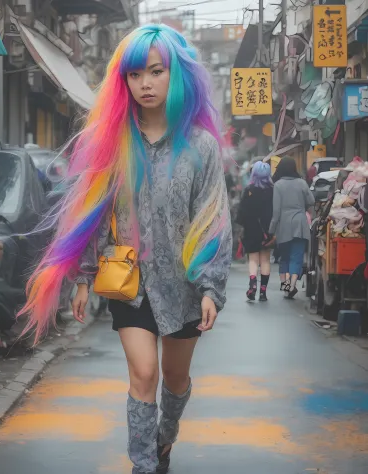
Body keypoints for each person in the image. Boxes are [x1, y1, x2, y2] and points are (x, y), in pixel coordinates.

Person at [18, 24, 232, 474]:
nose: (145, 84)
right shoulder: (113, 143)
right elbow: (94, 214)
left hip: (185, 286)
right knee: (143, 375)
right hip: (129, 283)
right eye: (135, 75)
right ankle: (143, 465)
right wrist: (81, 278)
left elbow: (213, 219)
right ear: (124, 81)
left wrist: (211, 288)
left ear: (177, 76)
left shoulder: (201, 146)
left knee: (174, 381)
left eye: (156, 72)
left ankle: (164, 441)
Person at [269, 156, 314, 299]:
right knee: (297, 257)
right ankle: (293, 285)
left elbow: (276, 212)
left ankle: (286, 287)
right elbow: (311, 200)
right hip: (300, 223)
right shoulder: (302, 183)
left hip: (284, 226)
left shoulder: (278, 185)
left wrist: (271, 230)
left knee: (284, 258)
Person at [236, 161, 273, 301]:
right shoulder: (272, 190)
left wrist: (242, 228)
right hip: (267, 230)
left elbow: (242, 212)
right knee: (265, 260)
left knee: (253, 259)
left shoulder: (249, 190)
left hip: (251, 229)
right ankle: (263, 292)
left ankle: (253, 285)